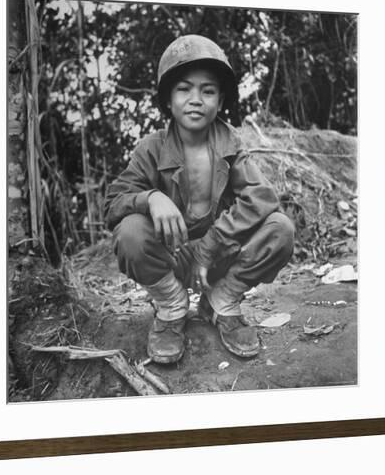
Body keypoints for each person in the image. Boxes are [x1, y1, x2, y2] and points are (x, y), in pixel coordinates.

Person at [104, 34, 294, 364]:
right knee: (130, 232)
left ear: (220, 101)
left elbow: (262, 198)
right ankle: (171, 306)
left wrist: (213, 243)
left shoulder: (231, 144)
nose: (196, 99)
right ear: (167, 99)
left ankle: (222, 301)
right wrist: (150, 198)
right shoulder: (152, 147)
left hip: (218, 256)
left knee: (280, 229)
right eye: (184, 89)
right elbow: (113, 203)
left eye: (208, 91)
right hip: (171, 257)